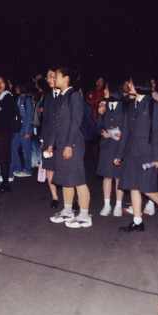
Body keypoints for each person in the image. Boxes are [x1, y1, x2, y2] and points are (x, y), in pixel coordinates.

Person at [114, 75, 158, 232]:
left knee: (147, 188)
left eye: (132, 84)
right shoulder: (130, 105)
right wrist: (119, 154)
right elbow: (125, 131)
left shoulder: (153, 105)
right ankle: (137, 221)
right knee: (133, 186)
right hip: (131, 153)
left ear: (140, 86)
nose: (128, 86)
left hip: (147, 154)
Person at [46, 66, 92, 228]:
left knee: (78, 179)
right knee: (66, 180)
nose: (53, 79)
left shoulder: (74, 97)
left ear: (66, 78)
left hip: (73, 144)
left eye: (56, 76)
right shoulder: (61, 97)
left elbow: (76, 123)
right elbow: (56, 125)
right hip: (61, 144)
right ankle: (67, 211)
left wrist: (69, 145)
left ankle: (85, 215)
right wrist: (51, 144)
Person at [97, 82, 126, 217]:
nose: (104, 91)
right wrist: (102, 131)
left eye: (107, 89)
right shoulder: (103, 106)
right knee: (107, 176)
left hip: (120, 145)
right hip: (107, 145)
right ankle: (107, 205)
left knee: (119, 177)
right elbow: (99, 124)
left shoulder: (125, 105)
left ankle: (118, 205)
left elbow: (131, 124)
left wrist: (124, 133)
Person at [0, 76, 17, 193]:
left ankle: (5, 185)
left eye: (2, 82)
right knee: (2, 159)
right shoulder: (0, 97)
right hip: (0, 131)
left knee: (3, 159)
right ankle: (4, 184)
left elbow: (6, 118)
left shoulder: (8, 97)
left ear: (6, 84)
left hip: (5, 132)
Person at [40, 69, 60, 208]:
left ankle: (73, 197)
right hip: (48, 135)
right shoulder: (47, 96)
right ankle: (55, 197)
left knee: (65, 167)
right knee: (50, 167)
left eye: (52, 76)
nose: (49, 79)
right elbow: (45, 118)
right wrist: (42, 138)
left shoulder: (67, 94)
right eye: (48, 76)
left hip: (62, 136)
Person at [9, 80, 34, 178]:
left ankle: (27, 170)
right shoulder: (19, 98)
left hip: (25, 127)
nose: (16, 88)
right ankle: (18, 168)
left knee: (25, 149)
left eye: (18, 87)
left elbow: (29, 116)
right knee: (13, 147)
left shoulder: (27, 99)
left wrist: (27, 131)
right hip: (19, 127)